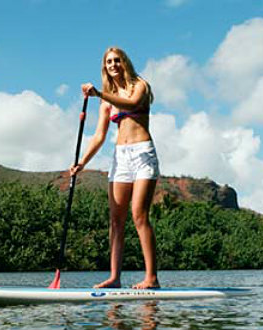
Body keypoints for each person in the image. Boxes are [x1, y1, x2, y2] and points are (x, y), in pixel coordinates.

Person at [70, 47, 160, 289]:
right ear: (105, 67)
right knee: (116, 220)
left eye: (117, 60)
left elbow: (131, 105)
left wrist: (100, 93)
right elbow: (99, 136)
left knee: (139, 215)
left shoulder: (139, 85)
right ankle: (114, 277)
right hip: (121, 158)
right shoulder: (106, 101)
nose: (113, 64)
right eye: (109, 61)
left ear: (125, 62)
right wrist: (82, 163)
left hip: (143, 153)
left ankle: (151, 277)